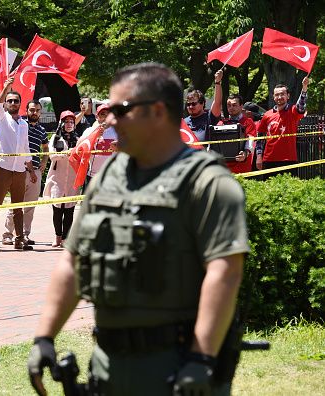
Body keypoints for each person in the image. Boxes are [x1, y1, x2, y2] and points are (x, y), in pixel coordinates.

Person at [28, 63, 248, 395]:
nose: (110, 119)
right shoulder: (109, 177)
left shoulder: (207, 183)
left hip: (174, 367)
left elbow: (225, 273)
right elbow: (72, 261)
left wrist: (201, 359)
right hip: (108, 366)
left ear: (157, 112)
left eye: (120, 110)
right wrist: (44, 337)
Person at [0, 77, 34, 251]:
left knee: (18, 207)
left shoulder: (24, 124)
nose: (13, 103)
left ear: (20, 104)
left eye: (16, 101)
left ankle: (19, 239)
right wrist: (6, 86)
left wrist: (31, 169)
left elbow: (26, 147)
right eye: (10, 101)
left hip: (19, 170)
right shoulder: (1, 118)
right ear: (6, 104)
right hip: (3, 168)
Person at [2, 100, 49, 246]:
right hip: (21, 169)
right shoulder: (21, 125)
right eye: (32, 110)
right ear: (27, 110)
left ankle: (24, 235)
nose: (34, 113)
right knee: (16, 204)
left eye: (37, 110)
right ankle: (8, 234)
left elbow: (46, 149)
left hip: (35, 171)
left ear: (40, 112)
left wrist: (44, 161)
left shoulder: (42, 130)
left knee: (30, 206)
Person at [256, 78, 310, 177]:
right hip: (269, 160)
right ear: (273, 97)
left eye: (282, 94)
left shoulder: (293, 111)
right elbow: (260, 137)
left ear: (288, 96)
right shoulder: (267, 115)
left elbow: (301, 106)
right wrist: (259, 156)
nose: (279, 97)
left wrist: (304, 88)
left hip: (289, 160)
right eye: (277, 95)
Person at [43, 110, 79, 248]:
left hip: (72, 179)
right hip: (57, 179)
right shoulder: (55, 138)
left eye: (72, 121)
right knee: (57, 210)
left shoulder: (78, 139)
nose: (69, 124)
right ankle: (57, 236)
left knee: (69, 210)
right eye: (66, 121)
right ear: (61, 123)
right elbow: (52, 156)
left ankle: (66, 238)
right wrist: (66, 153)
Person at [79, 103, 118, 188]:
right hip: (92, 176)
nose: (105, 117)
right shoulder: (89, 130)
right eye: (102, 114)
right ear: (97, 116)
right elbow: (78, 146)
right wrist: (94, 135)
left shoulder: (118, 131)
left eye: (108, 115)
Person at [217, 94, 257, 174]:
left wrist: (245, 153)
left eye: (234, 105)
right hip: (224, 169)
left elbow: (250, 141)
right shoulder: (221, 123)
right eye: (229, 105)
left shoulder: (248, 122)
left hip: (242, 167)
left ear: (241, 106)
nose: (231, 108)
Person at [184, 70, 223, 142]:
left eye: (194, 104)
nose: (191, 107)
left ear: (202, 103)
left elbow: (217, 103)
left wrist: (217, 82)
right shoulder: (183, 123)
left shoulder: (209, 117)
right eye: (188, 104)